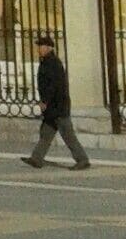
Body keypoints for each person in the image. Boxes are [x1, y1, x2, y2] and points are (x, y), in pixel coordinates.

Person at [24, 32, 91, 170]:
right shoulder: (47, 62)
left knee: (68, 135)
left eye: (42, 46)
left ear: (49, 48)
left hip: (58, 106)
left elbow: (53, 86)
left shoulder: (53, 63)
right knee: (46, 134)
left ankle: (82, 160)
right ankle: (36, 158)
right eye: (39, 46)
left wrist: (45, 101)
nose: (39, 49)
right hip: (53, 107)